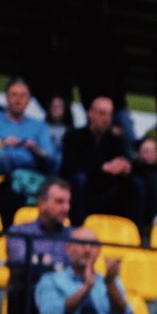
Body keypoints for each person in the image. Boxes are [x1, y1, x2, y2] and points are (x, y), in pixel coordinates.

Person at [61, 96, 142, 228]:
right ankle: (77, 229)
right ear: (90, 114)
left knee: (137, 184)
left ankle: (135, 232)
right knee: (80, 179)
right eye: (102, 113)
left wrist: (125, 168)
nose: (106, 118)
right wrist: (103, 168)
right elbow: (70, 167)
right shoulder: (73, 136)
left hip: (108, 190)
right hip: (84, 189)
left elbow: (122, 162)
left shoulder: (116, 141)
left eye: (110, 114)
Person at [6, 177, 72, 314]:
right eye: (59, 202)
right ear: (41, 203)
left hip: (65, 299)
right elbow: (20, 262)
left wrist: (41, 260)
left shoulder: (73, 236)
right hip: (27, 302)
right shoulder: (19, 232)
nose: (66, 208)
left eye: (68, 202)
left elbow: (74, 266)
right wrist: (54, 264)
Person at [0, 77, 55, 219]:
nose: (18, 99)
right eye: (14, 94)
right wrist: (1, 143)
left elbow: (50, 156)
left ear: (29, 99)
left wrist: (35, 149)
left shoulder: (38, 125)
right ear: (6, 97)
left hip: (29, 178)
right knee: (0, 154)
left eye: (23, 95)